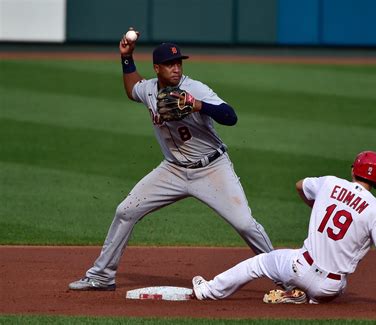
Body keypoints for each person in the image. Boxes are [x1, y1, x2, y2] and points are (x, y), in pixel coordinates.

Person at [68, 31, 273, 291]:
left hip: (211, 168)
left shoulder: (194, 88)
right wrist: (127, 58)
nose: (176, 69)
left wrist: (199, 105)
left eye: (179, 63)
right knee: (125, 211)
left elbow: (230, 116)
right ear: (157, 68)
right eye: (169, 65)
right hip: (173, 171)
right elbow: (132, 89)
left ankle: (289, 279)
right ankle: (101, 275)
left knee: (246, 224)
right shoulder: (150, 90)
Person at [192, 151, 376, 304]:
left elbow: (299, 185)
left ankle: (208, 291)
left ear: (353, 170)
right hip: (330, 287)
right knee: (340, 285)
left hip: (299, 267)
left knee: (260, 263)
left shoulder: (330, 184)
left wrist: (316, 205)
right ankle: (306, 297)